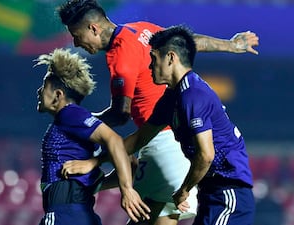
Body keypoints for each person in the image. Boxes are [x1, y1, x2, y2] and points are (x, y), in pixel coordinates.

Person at [56, 1, 259, 225]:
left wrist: (76, 122)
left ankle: (83, 185)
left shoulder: (121, 56)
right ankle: (89, 183)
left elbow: (120, 114)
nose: (76, 43)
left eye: (77, 35)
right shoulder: (142, 30)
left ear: (93, 28)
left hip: (166, 147)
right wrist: (230, 45)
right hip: (170, 146)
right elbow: (187, 43)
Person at [123, 24, 255, 225]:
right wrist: (95, 160)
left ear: (171, 58)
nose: (149, 66)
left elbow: (206, 155)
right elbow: (140, 138)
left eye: (153, 59)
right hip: (210, 192)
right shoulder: (172, 97)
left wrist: (184, 190)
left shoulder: (192, 95)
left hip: (228, 192)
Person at [35, 48, 150, 225]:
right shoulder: (80, 124)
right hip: (80, 212)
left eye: (44, 86)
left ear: (58, 95)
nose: (39, 91)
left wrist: (126, 189)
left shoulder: (69, 113)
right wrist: (90, 183)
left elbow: (114, 140)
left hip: (64, 213)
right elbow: (131, 162)